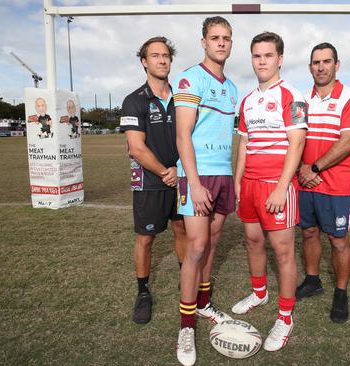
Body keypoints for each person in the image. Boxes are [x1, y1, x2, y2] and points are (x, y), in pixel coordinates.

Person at [232, 31, 307, 352]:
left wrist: (281, 187)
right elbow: (245, 144)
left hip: (277, 186)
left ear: (280, 59)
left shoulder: (293, 95)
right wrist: (237, 182)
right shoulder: (247, 100)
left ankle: (285, 316)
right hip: (249, 185)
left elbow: (298, 143)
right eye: (257, 56)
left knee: (283, 251)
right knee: (252, 241)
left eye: (268, 55)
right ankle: (259, 293)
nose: (262, 61)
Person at [173, 16, 237, 366]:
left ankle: (204, 304)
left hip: (224, 175)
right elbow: (183, 136)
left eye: (226, 38)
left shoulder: (233, 88)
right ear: (203, 42)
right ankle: (185, 326)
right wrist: (194, 183)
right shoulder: (190, 78)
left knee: (212, 242)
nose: (221, 43)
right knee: (196, 247)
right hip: (196, 177)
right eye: (215, 38)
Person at [119, 36, 187, 325]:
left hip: (181, 178)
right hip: (151, 181)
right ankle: (143, 291)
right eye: (155, 56)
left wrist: (179, 171)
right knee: (146, 238)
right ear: (144, 61)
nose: (162, 60)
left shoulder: (184, 97)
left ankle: (188, 278)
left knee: (183, 229)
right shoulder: (134, 100)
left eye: (166, 55)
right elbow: (136, 147)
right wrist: (165, 172)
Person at [295, 42, 350, 324]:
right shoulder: (301, 100)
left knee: (338, 241)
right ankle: (313, 280)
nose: (321, 67)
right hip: (305, 184)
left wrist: (313, 167)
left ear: (337, 64)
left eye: (326, 61)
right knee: (309, 233)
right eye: (316, 62)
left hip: (335, 186)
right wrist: (302, 170)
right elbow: (296, 138)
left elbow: (348, 142)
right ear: (310, 66)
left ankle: (341, 292)